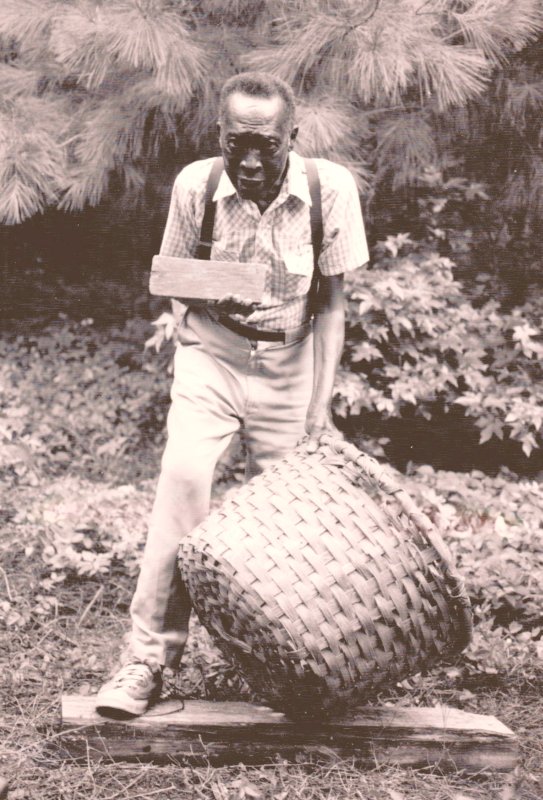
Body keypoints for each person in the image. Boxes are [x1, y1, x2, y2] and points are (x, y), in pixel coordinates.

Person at [95, 71, 369, 717]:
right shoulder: (196, 184)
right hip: (212, 357)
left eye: (265, 145)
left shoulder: (329, 190)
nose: (249, 160)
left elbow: (331, 303)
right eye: (235, 142)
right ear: (219, 133)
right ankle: (145, 661)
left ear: (291, 137)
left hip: (291, 360)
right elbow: (172, 277)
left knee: (288, 524)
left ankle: (294, 670)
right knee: (184, 479)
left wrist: (317, 410)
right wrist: (218, 288)